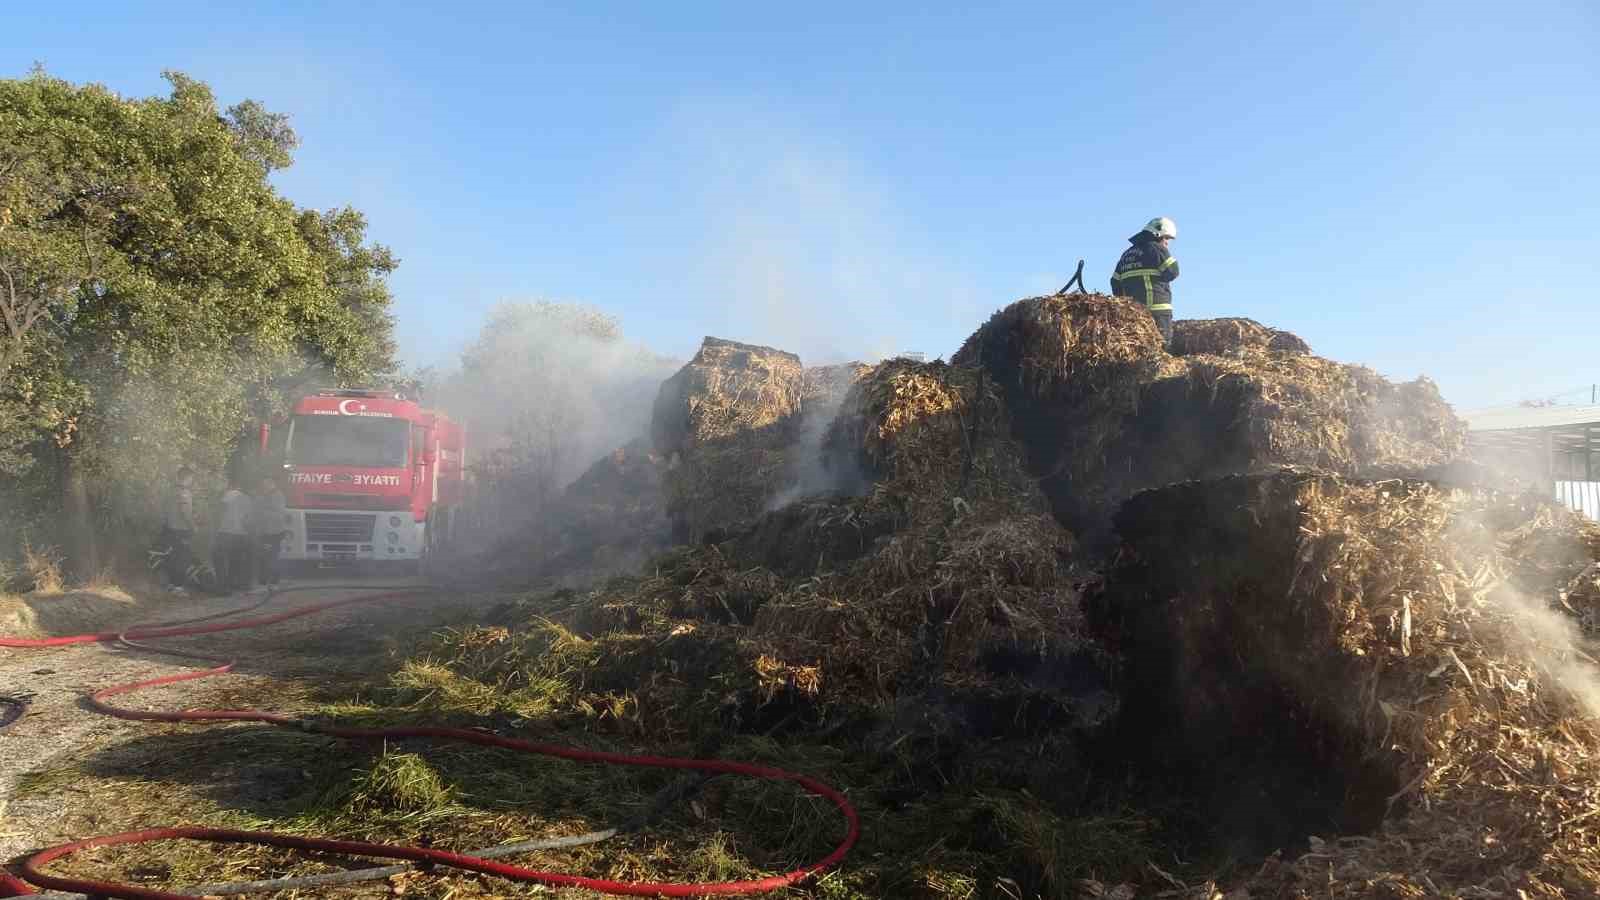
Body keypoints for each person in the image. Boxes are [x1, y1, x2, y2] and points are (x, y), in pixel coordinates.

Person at [1110, 216, 1180, 346]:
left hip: (1133, 315)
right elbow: (1173, 271)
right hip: (1158, 313)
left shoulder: (1127, 254)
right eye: (1166, 238)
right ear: (1157, 234)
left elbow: (1115, 283)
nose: (1167, 243)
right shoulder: (1157, 249)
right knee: (1162, 350)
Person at [213, 475, 255, 592]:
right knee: (235, 559)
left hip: (226, 533)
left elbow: (218, 513)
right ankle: (236, 584)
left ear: (230, 485)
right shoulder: (247, 498)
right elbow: (249, 518)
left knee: (219, 559)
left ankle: (222, 587)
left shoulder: (227, 495)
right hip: (242, 535)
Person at [160, 467, 197, 590]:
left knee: (172, 556)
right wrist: (193, 526)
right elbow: (185, 511)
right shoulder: (184, 492)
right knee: (183, 558)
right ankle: (178, 587)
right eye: (192, 478)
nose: (192, 480)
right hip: (181, 530)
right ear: (187, 477)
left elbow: (164, 511)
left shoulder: (170, 491)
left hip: (169, 529)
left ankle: (171, 584)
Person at [251, 475, 289, 587]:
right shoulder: (264, 495)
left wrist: (262, 512)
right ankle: (263, 581)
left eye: (266, 484)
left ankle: (273, 581)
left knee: (273, 557)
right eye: (263, 484)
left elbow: (279, 513)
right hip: (265, 531)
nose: (263, 486)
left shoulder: (278, 495)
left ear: (272, 483)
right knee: (263, 556)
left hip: (274, 532)